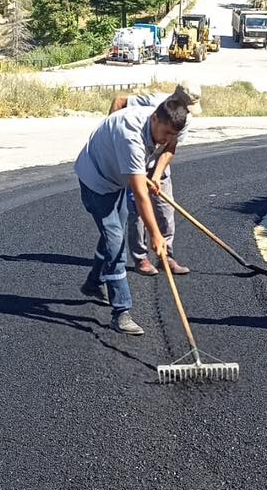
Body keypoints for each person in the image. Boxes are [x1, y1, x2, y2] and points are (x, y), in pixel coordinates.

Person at [74, 92, 193, 336]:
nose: (167, 140)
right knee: (116, 240)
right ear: (155, 120)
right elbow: (140, 196)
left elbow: (166, 150)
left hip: (115, 178)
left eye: (173, 135)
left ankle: (93, 283)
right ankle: (121, 312)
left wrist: (153, 175)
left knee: (113, 231)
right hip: (95, 180)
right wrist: (156, 235)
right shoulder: (131, 137)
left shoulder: (168, 117)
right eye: (166, 133)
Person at [106, 86, 202, 278]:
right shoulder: (153, 104)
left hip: (158, 161)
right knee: (139, 211)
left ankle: (166, 255)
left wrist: (157, 175)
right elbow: (119, 101)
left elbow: (170, 148)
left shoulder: (184, 120)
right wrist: (114, 139)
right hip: (136, 160)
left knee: (166, 209)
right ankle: (141, 258)